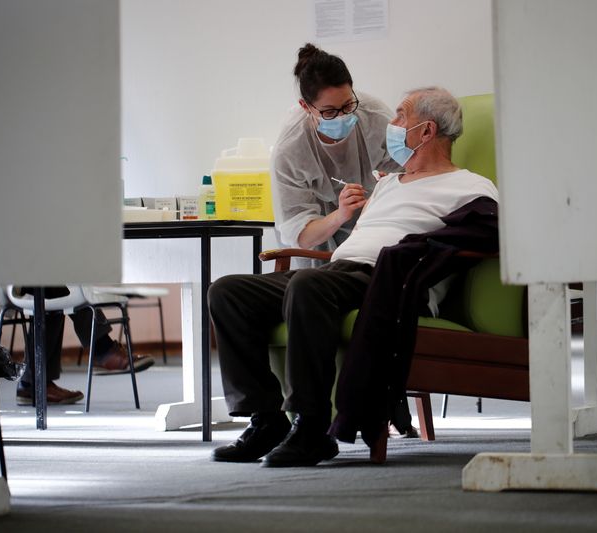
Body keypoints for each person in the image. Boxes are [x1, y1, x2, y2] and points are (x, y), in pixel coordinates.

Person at [209, 87, 499, 467]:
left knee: (307, 284)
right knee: (227, 291)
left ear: (426, 131)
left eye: (400, 116)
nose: (391, 126)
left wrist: (409, 254)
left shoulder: (471, 186)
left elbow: (486, 230)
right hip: (338, 271)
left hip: (389, 279)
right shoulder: (389, 184)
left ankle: (312, 428)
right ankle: (267, 419)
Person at [270, 43, 401, 266]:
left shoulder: (374, 116)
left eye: (348, 105)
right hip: (318, 237)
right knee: (313, 285)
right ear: (305, 106)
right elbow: (300, 234)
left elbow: (412, 165)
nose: (342, 116)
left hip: (376, 231)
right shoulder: (290, 150)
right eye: (330, 111)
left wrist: (390, 188)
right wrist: (341, 214)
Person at [0, 287, 155, 405]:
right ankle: (103, 351)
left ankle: (33, 383)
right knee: (64, 289)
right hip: (11, 279)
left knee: (59, 288)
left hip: (29, 274)